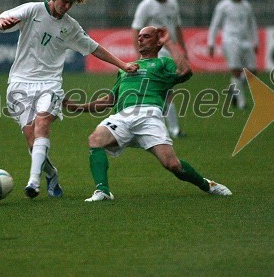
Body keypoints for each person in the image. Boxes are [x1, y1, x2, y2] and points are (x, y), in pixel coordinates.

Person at [0, 0, 139, 199]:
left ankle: (33, 182)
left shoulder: (70, 27)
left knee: (42, 123)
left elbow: (95, 48)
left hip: (50, 84)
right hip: (20, 83)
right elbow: (2, 19)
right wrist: (1, 24)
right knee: (32, 139)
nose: (67, 6)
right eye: (64, 1)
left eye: (71, 3)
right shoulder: (33, 10)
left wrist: (122, 64)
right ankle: (51, 173)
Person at [64, 26, 232, 201]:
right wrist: (77, 107)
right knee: (95, 139)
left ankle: (207, 185)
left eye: (146, 36)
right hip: (123, 117)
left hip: (149, 117)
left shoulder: (163, 63)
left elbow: (185, 71)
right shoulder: (125, 68)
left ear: (157, 42)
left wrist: (169, 42)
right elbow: (109, 100)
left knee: (172, 164)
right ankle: (102, 191)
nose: (140, 39)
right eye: (139, 37)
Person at [131, 0, 188, 138]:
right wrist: (138, 52)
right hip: (155, 52)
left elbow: (177, 26)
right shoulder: (146, 6)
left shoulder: (173, 2)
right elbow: (136, 29)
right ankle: (173, 129)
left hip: (170, 49)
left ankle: (152, 127)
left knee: (161, 89)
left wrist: (183, 49)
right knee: (166, 89)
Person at [208, 0, 258, 110]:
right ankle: (241, 103)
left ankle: (234, 88)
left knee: (252, 72)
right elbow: (215, 24)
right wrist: (211, 43)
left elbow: (252, 24)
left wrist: (255, 41)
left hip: (245, 40)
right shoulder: (223, 6)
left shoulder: (247, 6)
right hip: (230, 40)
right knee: (236, 71)